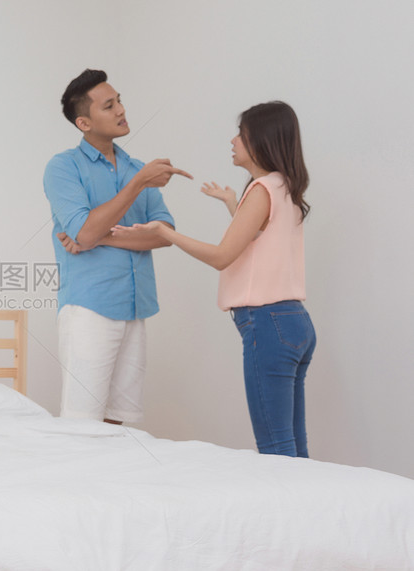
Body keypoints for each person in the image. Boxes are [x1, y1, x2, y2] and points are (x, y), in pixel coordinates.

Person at [123, 101, 316, 457]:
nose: (233, 141)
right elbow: (258, 242)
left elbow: (222, 256)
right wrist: (232, 203)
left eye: (241, 135)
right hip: (295, 323)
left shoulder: (261, 190)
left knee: (276, 450)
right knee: (293, 447)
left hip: (268, 324)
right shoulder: (283, 187)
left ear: (261, 140)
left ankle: (286, 512)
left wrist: (166, 234)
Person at [43, 69, 192, 425]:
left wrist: (101, 236)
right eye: (109, 106)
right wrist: (138, 184)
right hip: (89, 307)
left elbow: (164, 233)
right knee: (83, 420)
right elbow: (84, 232)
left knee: (118, 422)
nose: (121, 110)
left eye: (119, 100)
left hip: (136, 306)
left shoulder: (136, 168)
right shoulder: (63, 167)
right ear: (84, 122)